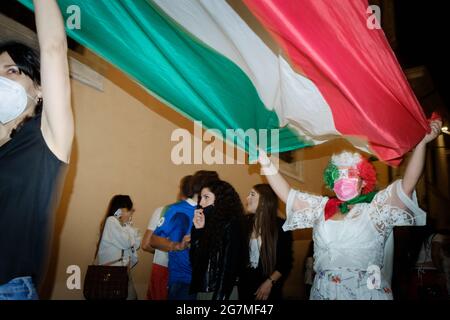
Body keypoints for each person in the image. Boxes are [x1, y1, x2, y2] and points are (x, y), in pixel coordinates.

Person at [257, 118, 442, 300]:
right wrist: (266, 163)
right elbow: (288, 195)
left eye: (351, 174)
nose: (343, 179)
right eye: (338, 174)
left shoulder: (377, 208)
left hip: (365, 293)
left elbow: (408, 184)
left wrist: (422, 143)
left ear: (364, 181)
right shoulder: (322, 207)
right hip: (324, 292)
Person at [0, 0, 74, 300]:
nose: (1, 80)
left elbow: (54, 47)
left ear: (39, 88)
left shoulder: (46, 137)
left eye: (12, 71)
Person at [151, 171, 219, 300]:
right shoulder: (176, 210)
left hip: (209, 282)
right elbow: (153, 240)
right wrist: (177, 245)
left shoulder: (213, 210)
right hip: (183, 281)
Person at [190, 180, 247, 300]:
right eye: (201, 198)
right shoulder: (209, 223)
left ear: (221, 199)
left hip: (221, 292)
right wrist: (198, 230)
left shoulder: (231, 224)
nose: (201, 202)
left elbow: (228, 267)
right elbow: (195, 261)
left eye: (206, 197)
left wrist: (219, 296)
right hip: (204, 289)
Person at [238, 184, 293, 300]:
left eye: (252, 194)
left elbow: (286, 262)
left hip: (270, 287)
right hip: (245, 286)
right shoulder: (243, 223)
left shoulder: (281, 226)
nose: (247, 198)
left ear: (264, 201)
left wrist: (269, 282)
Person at [142, 175, 192, 300]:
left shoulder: (163, 210)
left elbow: (146, 244)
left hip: (162, 266)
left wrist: (162, 249)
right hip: (188, 272)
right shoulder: (202, 214)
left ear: (181, 191)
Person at [97, 195, 141, 300]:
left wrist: (127, 227)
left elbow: (136, 244)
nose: (131, 214)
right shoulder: (111, 221)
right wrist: (129, 228)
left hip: (122, 272)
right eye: (129, 210)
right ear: (120, 210)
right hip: (112, 273)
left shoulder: (122, 226)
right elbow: (127, 242)